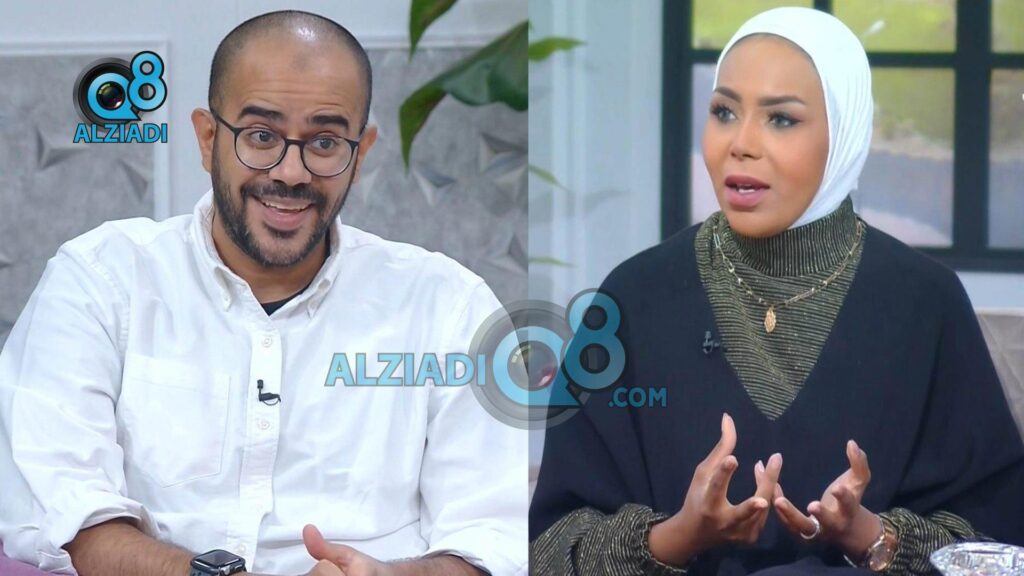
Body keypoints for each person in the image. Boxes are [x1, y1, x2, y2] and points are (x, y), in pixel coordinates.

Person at [0, 10, 527, 576]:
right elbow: (68, 514)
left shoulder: (449, 307)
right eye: (261, 136)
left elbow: (491, 541)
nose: (292, 171)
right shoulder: (100, 280)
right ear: (208, 139)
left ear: (360, 155)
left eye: (324, 141)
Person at [529, 7, 1024, 575]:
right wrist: (676, 537)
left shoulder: (925, 304)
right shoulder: (633, 299)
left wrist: (871, 536)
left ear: (844, 133)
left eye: (781, 119)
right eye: (724, 112)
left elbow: (997, 544)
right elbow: (548, 548)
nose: (740, 144)